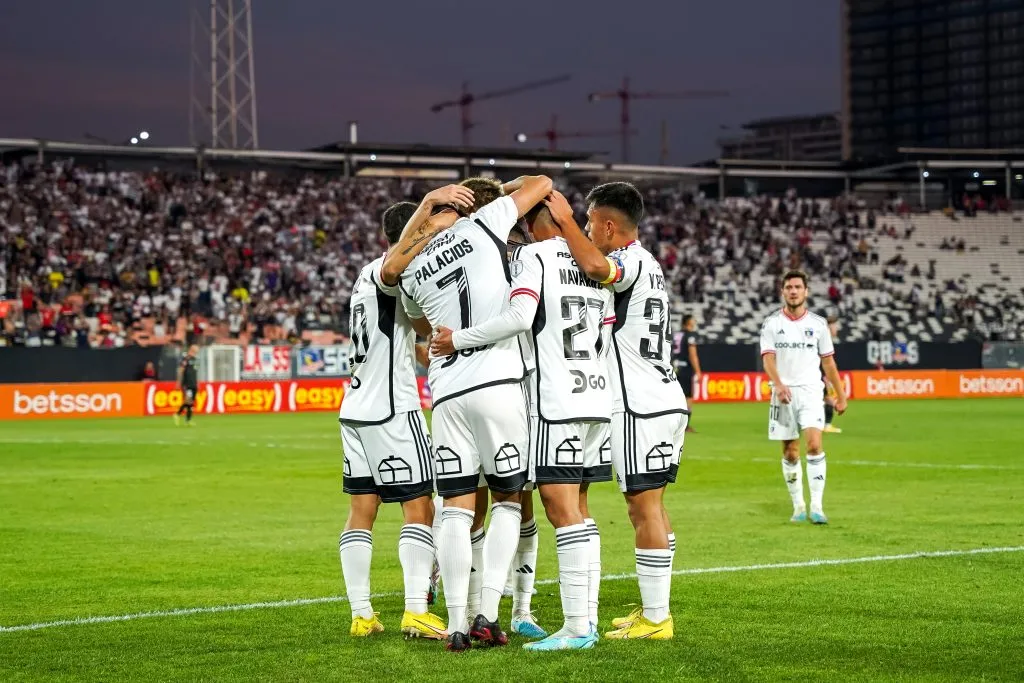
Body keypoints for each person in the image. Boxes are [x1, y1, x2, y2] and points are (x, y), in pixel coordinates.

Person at [431, 201, 614, 651]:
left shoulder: (533, 256)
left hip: (549, 399)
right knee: (578, 508)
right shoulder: (595, 264)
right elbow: (605, 334)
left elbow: (518, 318)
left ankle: (572, 626)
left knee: (550, 507)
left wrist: (458, 339)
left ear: (532, 224)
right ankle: (578, 613)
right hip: (595, 395)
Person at [391, 175, 552, 652]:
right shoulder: (484, 223)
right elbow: (541, 181)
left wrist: (429, 223)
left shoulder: (410, 268)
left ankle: (457, 622)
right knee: (506, 500)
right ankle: (489, 613)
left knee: (457, 510)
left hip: (447, 394)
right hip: (498, 383)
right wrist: (492, 193)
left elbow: (422, 323)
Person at [546, 183, 688, 641]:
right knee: (649, 507)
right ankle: (653, 610)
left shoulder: (631, 262)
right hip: (663, 397)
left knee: (643, 506)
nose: (586, 230)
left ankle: (657, 619)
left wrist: (564, 221)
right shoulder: (650, 265)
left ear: (609, 226)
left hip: (638, 404)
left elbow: (591, 263)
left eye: (589, 223)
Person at [336, 187, 474, 640]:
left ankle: (362, 613)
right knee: (419, 508)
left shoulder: (363, 275)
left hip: (355, 408)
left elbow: (414, 333)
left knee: (362, 511)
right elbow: (418, 313)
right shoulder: (392, 269)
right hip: (392, 409)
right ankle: (416, 608)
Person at [759, 270, 848, 525]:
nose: (794, 291)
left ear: (806, 291)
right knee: (790, 451)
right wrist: (778, 384)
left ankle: (817, 506)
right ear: (783, 291)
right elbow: (767, 359)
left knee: (814, 445)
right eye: (789, 287)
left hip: (811, 391)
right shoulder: (772, 323)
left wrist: (840, 395)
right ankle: (798, 505)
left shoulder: (818, 324)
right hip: (782, 394)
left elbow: (828, 363)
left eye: (798, 287)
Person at [672, 315, 701, 433]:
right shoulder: (691, 335)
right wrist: (698, 371)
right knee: (688, 398)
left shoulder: (676, 334)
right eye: (693, 319)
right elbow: (692, 354)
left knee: (675, 397)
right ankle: (685, 425)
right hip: (685, 369)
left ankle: (673, 423)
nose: (695, 321)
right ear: (688, 322)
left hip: (675, 367)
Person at [174, 345, 199, 426]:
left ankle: (187, 420)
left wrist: (197, 382)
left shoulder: (195, 360)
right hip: (187, 384)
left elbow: (194, 372)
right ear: (192, 349)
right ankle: (177, 414)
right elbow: (180, 370)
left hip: (193, 383)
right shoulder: (185, 359)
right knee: (188, 400)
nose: (197, 351)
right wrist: (179, 382)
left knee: (191, 403)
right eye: (196, 349)